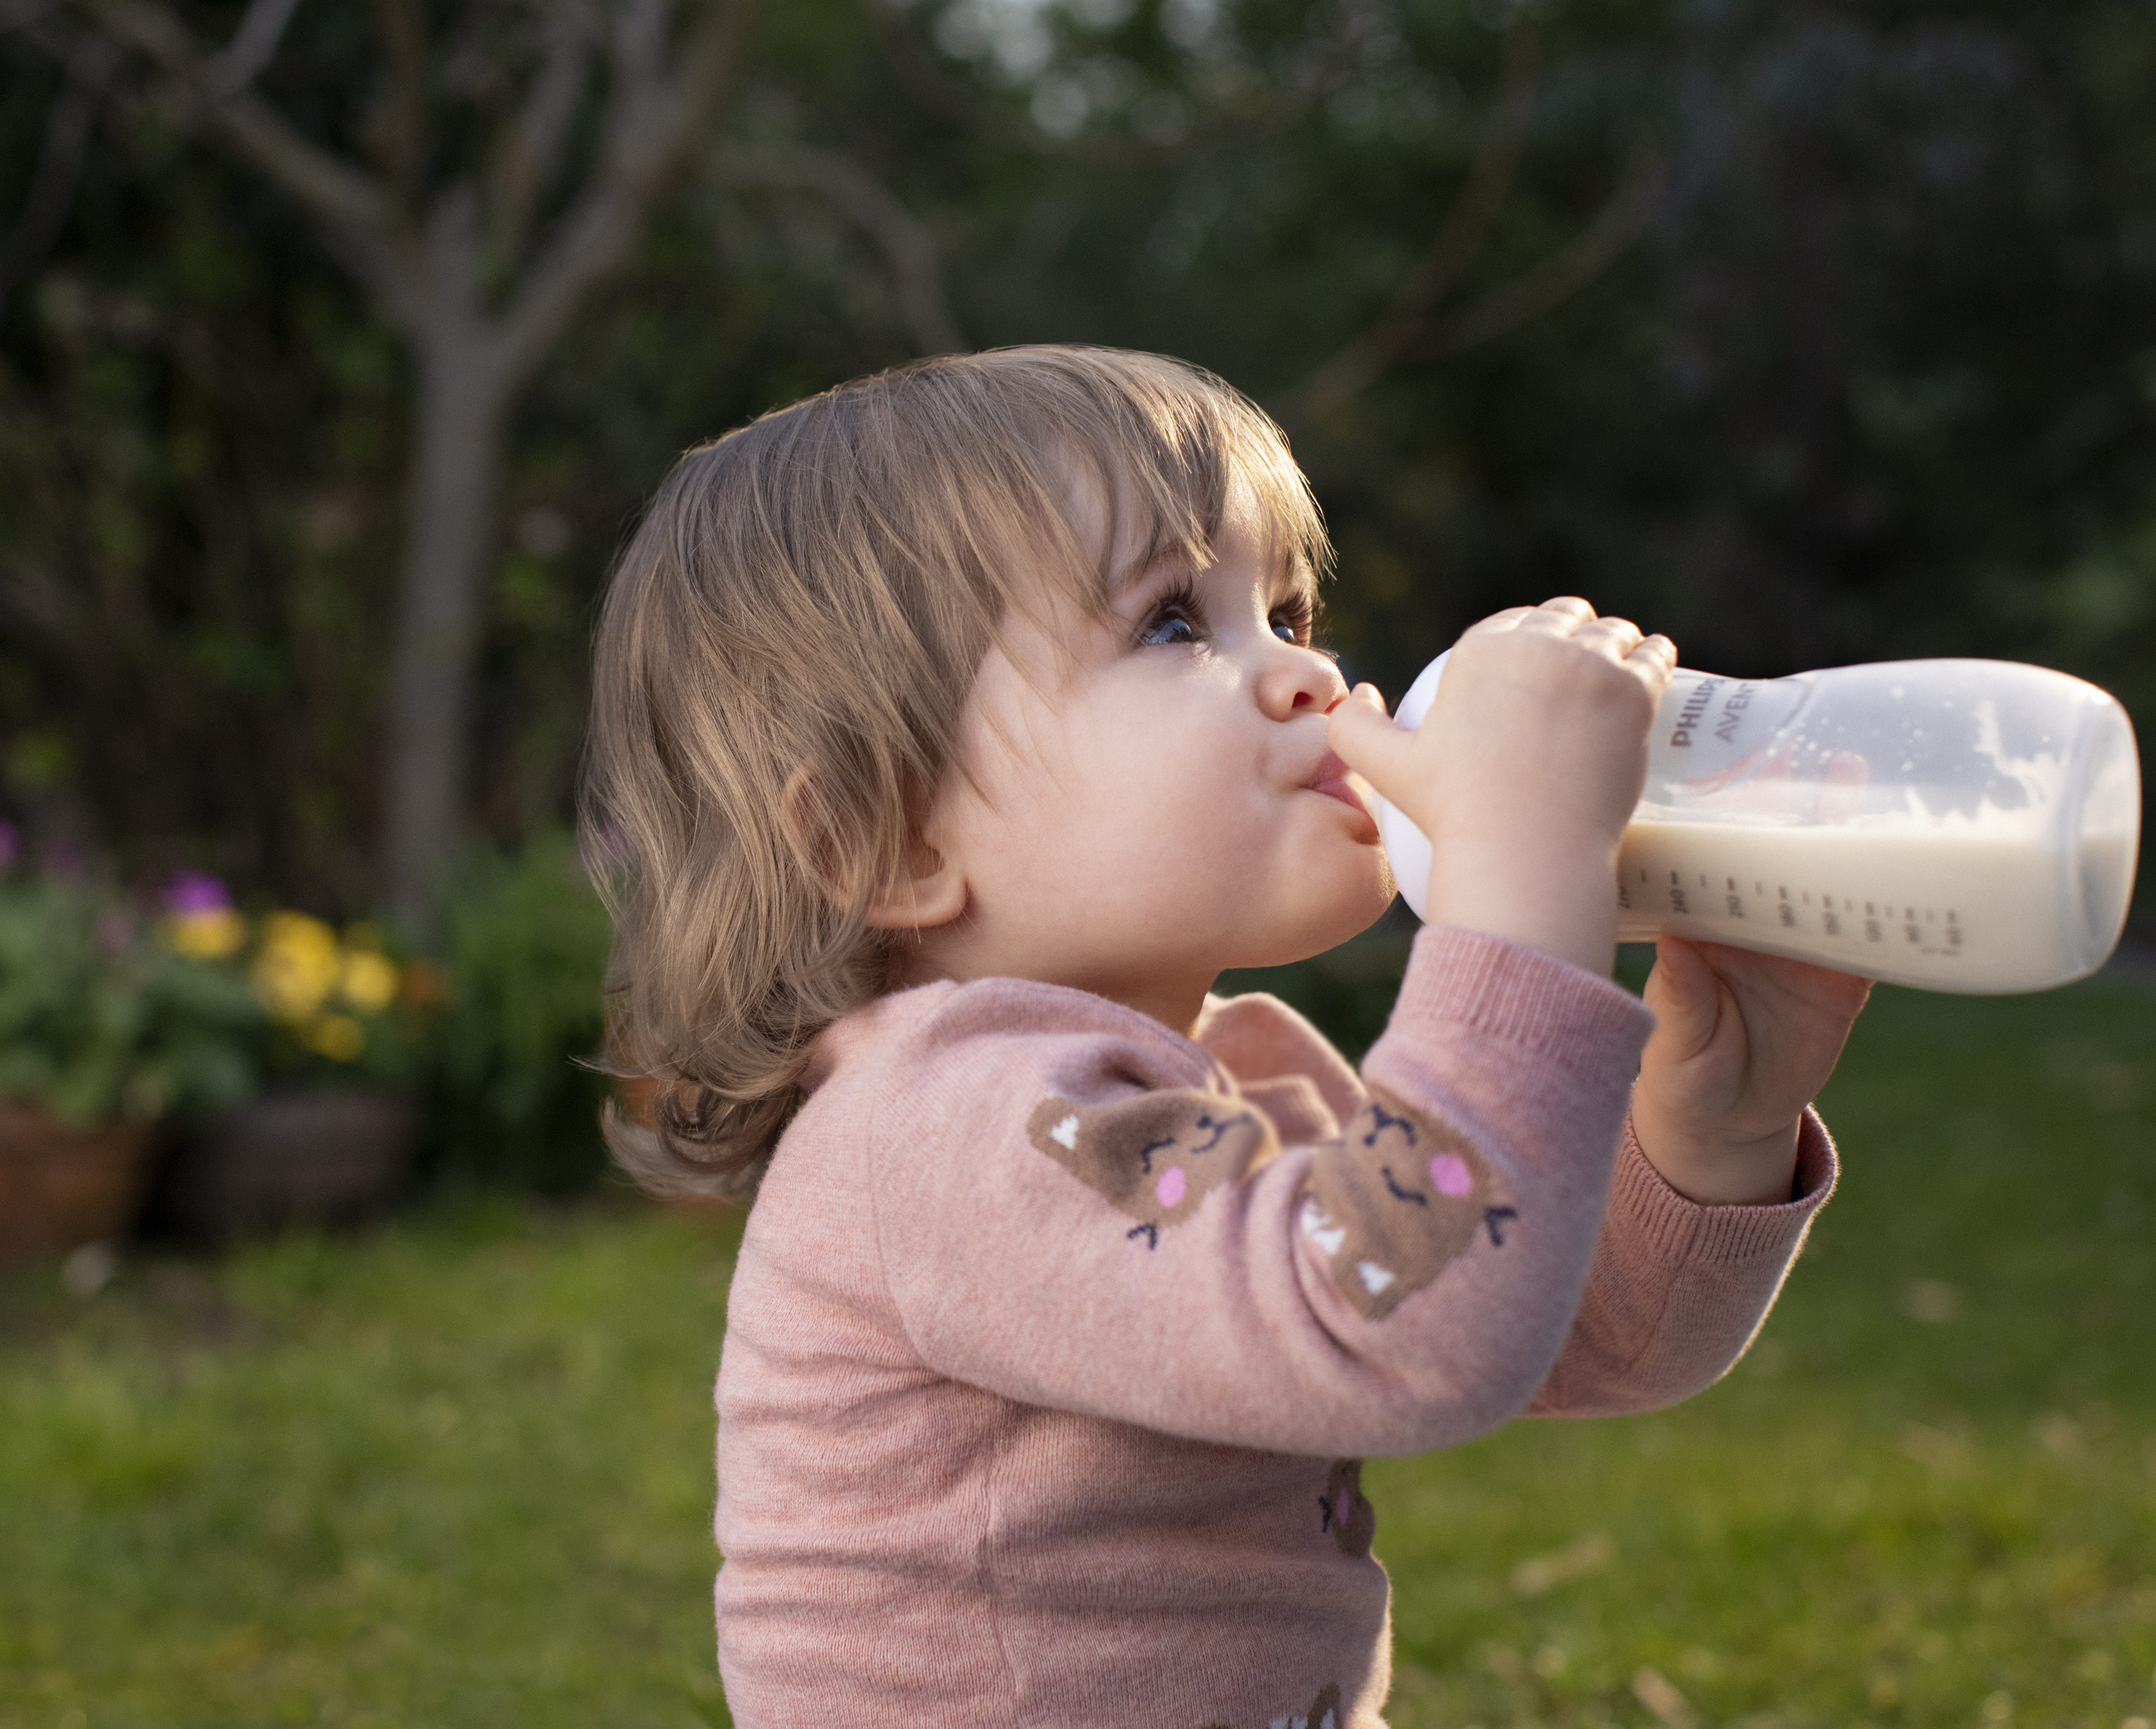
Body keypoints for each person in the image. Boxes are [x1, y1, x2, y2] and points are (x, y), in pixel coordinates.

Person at [581, 346, 1872, 1729]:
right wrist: (1521, 874)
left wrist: (1715, 1119)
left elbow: (1553, 1327)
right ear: (885, 841)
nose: (1310, 671)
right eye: (1176, 627)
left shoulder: (1225, 1072)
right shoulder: (943, 1128)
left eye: (1288, 609)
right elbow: (1411, 1324)